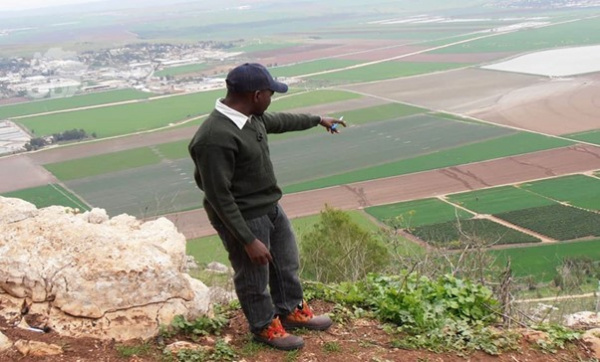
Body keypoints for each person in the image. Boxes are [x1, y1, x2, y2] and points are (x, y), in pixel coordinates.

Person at [188, 63, 346, 351]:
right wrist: (247, 240)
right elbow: (218, 196)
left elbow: (282, 121)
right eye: (271, 93)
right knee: (253, 275)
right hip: (243, 217)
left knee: (286, 262)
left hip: (269, 206)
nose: (272, 99)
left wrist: (318, 119)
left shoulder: (250, 117)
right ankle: (264, 327)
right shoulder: (214, 138)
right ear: (257, 94)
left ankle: (290, 310)